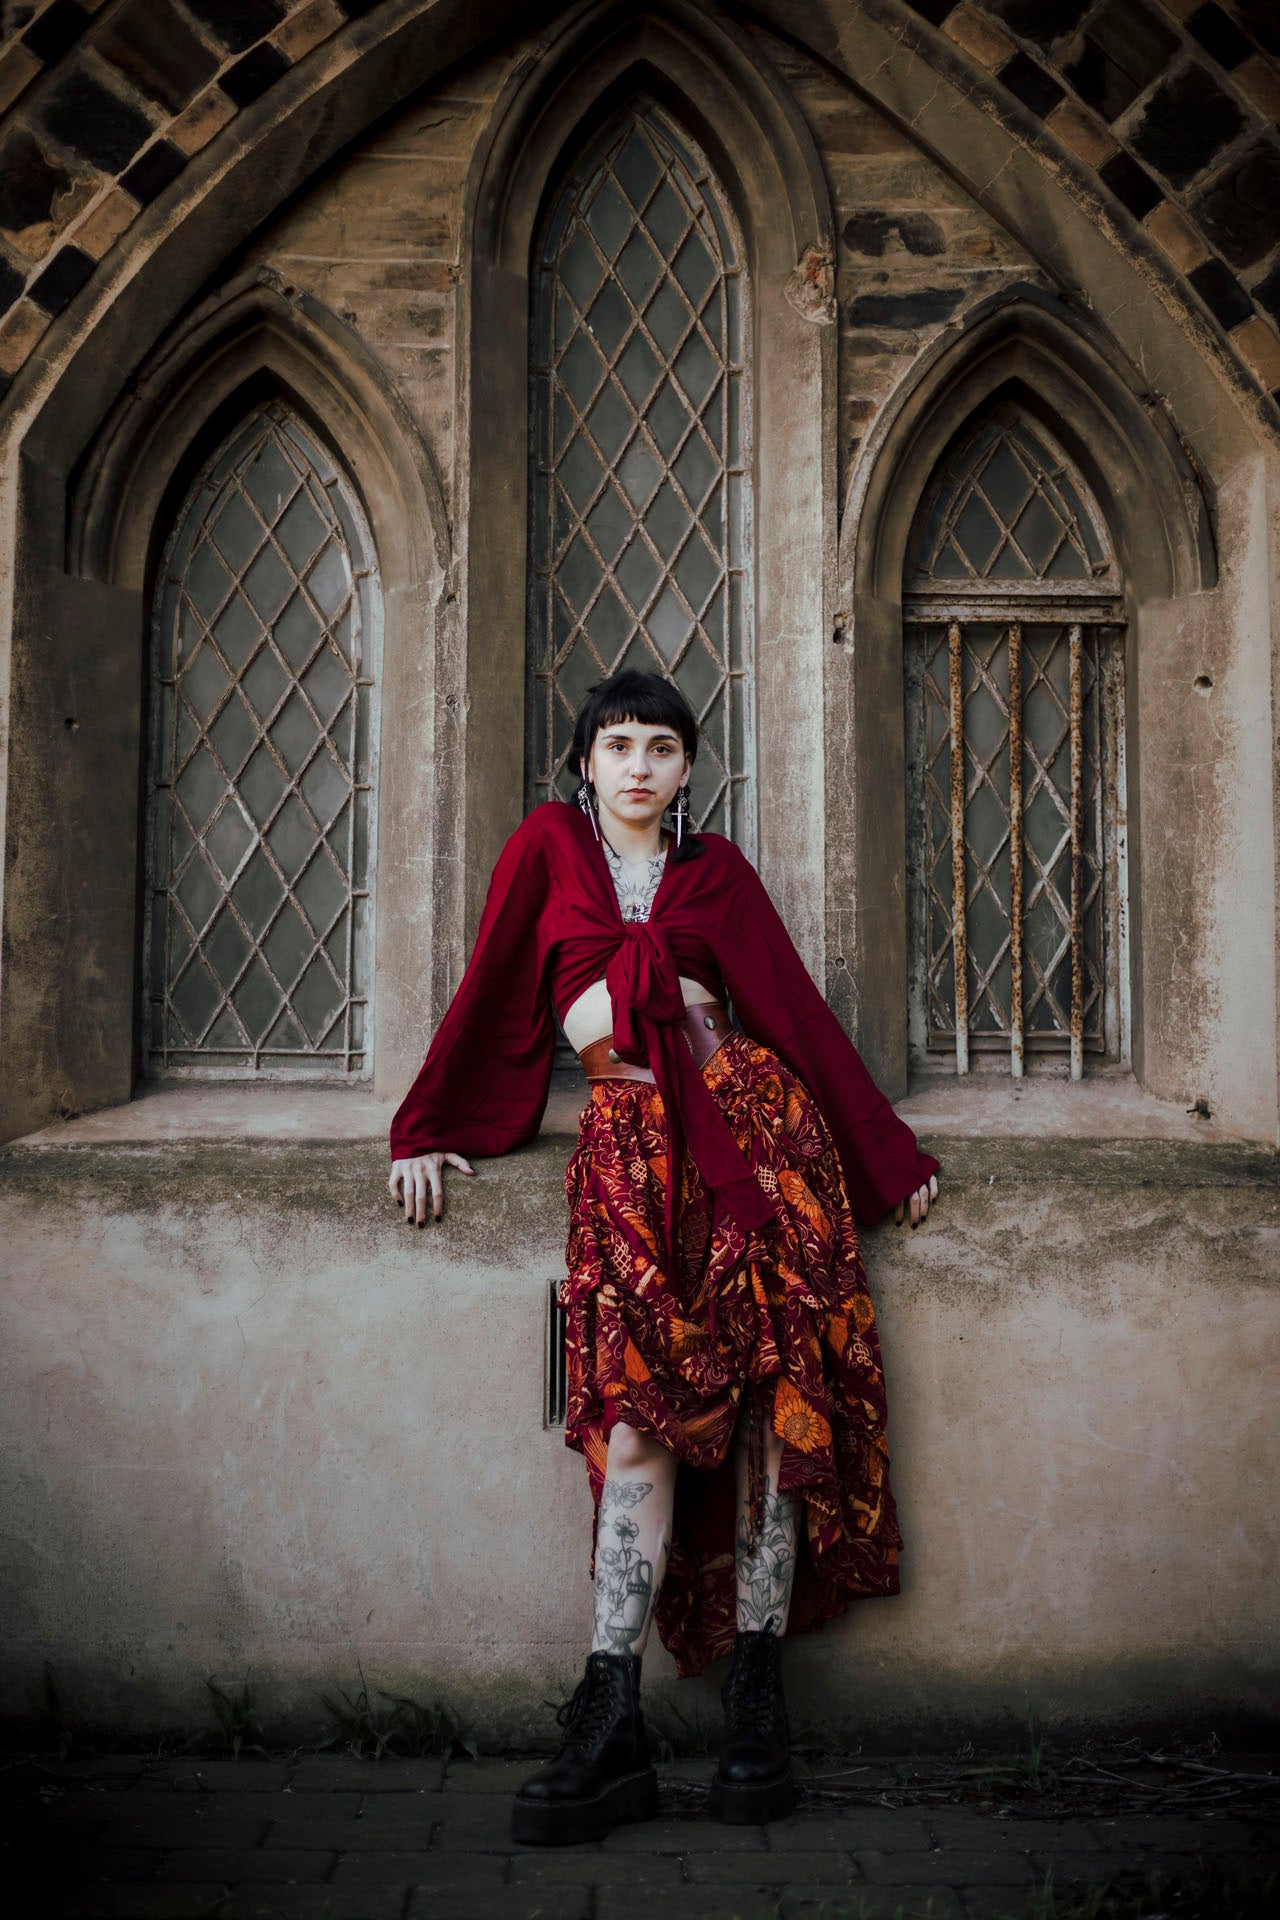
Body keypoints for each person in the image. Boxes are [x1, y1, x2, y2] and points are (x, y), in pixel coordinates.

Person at [388, 670, 938, 1845]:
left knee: (762, 1419)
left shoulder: (715, 874)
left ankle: (754, 1699)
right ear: (584, 763)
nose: (637, 765)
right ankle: (608, 1712)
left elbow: (789, 1010)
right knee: (635, 1420)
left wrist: (886, 1160)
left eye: (661, 748)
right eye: (617, 745)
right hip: (628, 1158)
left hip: (755, 1145)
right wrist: (422, 1128)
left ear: (687, 770)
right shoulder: (546, 849)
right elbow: (491, 990)